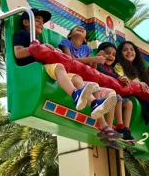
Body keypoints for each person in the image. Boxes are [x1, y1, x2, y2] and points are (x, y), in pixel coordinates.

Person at [13, 8, 122, 148]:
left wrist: (48, 49)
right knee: (59, 67)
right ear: (26, 22)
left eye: (42, 21)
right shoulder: (22, 34)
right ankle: (75, 95)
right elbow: (18, 53)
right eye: (37, 20)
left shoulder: (38, 39)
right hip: (35, 69)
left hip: (48, 66)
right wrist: (35, 49)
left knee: (77, 79)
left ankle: (100, 117)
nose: (41, 23)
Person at [96, 42, 135, 145]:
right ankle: (116, 127)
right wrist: (118, 77)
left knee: (128, 103)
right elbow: (101, 70)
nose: (111, 56)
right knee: (117, 97)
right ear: (101, 52)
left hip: (112, 94)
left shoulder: (111, 68)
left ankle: (125, 129)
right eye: (108, 53)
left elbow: (115, 74)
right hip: (102, 92)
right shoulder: (99, 64)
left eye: (114, 55)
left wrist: (123, 79)